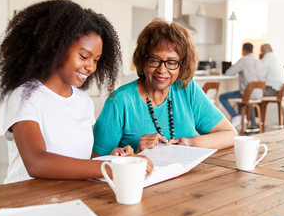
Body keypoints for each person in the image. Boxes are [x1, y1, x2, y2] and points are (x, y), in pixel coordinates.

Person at [0, 0, 153, 184]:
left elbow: (81, 160)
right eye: (84, 56)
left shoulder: (83, 101)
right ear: (56, 47)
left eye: (96, 60)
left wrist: (115, 158)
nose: (91, 67)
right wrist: (110, 166)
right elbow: (36, 162)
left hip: (70, 198)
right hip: (27, 201)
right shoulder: (25, 96)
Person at [93, 18, 237, 155]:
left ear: (182, 65)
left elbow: (230, 134)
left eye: (172, 62)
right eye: (154, 60)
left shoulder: (186, 89)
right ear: (143, 60)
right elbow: (95, 160)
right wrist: (137, 155)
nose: (162, 70)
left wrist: (190, 143)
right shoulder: (119, 101)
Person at [219, 43, 264, 129]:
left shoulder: (243, 60)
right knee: (240, 94)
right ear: (252, 50)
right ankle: (242, 118)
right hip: (259, 94)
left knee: (222, 97)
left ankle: (236, 116)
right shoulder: (258, 61)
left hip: (248, 94)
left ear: (243, 50)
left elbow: (229, 73)